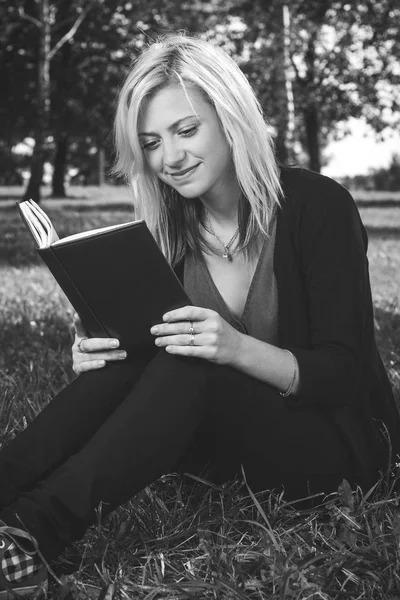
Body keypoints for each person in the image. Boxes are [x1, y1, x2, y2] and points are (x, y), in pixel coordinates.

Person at [1, 34, 399, 598]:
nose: (171, 157)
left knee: (195, 361)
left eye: (186, 131)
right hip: (216, 445)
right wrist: (101, 346)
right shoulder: (170, 229)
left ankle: (33, 531)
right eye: (152, 143)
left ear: (230, 117)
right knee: (146, 359)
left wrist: (234, 347)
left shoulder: (319, 206)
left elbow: (343, 374)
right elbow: (148, 369)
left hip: (332, 449)